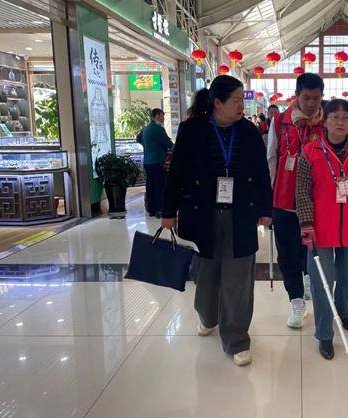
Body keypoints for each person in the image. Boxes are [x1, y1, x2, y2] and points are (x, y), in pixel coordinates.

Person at [161, 75, 273, 367]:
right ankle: (208, 315)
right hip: (201, 214)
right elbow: (176, 172)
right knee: (204, 275)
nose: (241, 105)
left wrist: (266, 209)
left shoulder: (248, 131)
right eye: (236, 100)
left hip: (241, 214)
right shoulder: (192, 130)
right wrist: (168, 212)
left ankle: (237, 338)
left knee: (238, 279)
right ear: (218, 103)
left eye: (242, 99)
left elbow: (261, 172)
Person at [296, 99, 348, 360]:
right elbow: (302, 191)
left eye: (345, 117)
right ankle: (324, 333)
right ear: (325, 121)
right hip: (320, 228)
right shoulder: (310, 151)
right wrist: (306, 223)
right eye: (335, 117)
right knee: (322, 282)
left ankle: (343, 311)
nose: (340, 122)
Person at [267, 73, 325, 328]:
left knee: (312, 249)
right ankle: (296, 300)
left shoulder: (328, 122)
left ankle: (308, 278)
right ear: (297, 96)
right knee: (288, 252)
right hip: (284, 200)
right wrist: (268, 194)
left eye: (316, 98)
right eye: (306, 98)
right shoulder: (280, 121)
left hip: (317, 200)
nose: (311, 104)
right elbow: (271, 157)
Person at [136, 108, 173, 218]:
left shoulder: (146, 128)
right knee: (159, 185)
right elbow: (168, 143)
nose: (163, 119)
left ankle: (151, 209)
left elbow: (138, 138)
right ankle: (159, 209)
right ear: (157, 116)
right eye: (162, 116)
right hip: (158, 161)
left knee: (150, 185)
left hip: (147, 161)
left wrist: (147, 146)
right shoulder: (158, 129)